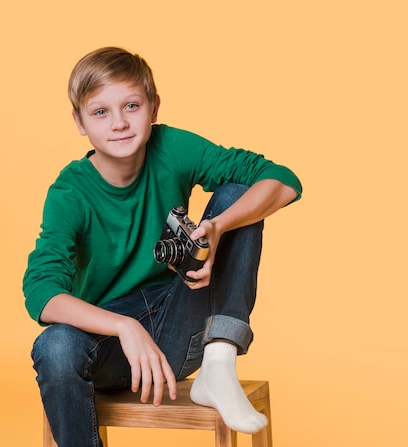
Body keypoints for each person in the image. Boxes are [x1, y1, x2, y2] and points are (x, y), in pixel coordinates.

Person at [23, 46, 302, 447]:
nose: (119, 123)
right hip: (109, 350)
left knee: (238, 194)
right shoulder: (70, 191)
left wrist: (219, 226)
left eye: (131, 106)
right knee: (55, 344)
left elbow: (283, 180)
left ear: (154, 107)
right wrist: (124, 326)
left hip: (182, 325)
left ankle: (219, 362)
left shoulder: (171, 148)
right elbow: (40, 291)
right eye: (101, 112)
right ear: (80, 122)